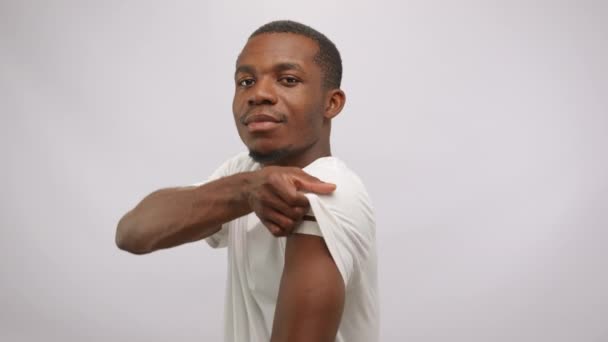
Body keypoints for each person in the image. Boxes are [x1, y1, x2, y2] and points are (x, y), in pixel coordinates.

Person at [115, 20, 378, 342]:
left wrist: (246, 189)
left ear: (331, 103)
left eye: (288, 79)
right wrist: (244, 190)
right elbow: (133, 234)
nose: (259, 94)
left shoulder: (325, 191)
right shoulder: (245, 173)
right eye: (246, 81)